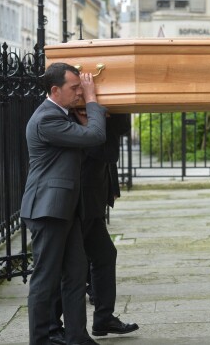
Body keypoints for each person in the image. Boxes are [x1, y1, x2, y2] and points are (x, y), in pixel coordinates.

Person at [21, 63, 106, 345]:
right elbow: (95, 136)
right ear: (55, 90)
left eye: (81, 87)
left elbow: (90, 146)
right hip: (48, 209)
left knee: (75, 273)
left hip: (64, 208)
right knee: (45, 279)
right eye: (75, 87)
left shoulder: (62, 115)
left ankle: (76, 337)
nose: (80, 92)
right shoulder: (48, 118)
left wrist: (84, 119)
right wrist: (93, 101)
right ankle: (41, 339)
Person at [49, 114, 138, 344]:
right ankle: (52, 326)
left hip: (93, 200)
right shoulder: (71, 119)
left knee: (105, 255)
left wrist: (114, 109)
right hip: (79, 203)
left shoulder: (94, 114)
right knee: (72, 266)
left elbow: (122, 129)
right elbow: (105, 151)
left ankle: (103, 318)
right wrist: (100, 115)